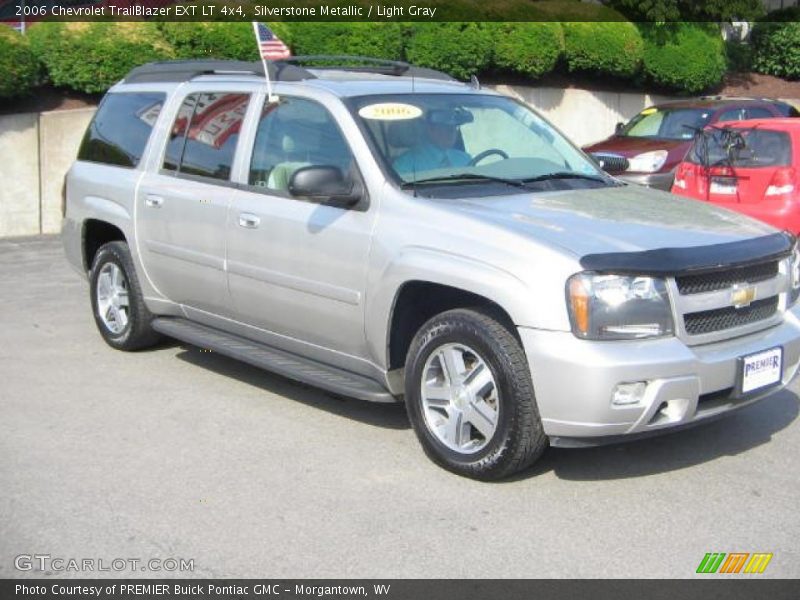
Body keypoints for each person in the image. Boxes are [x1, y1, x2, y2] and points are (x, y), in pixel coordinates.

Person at [393, 108, 473, 177]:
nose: (452, 132)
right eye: (446, 127)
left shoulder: (465, 159)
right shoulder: (406, 164)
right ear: (430, 129)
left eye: (454, 127)